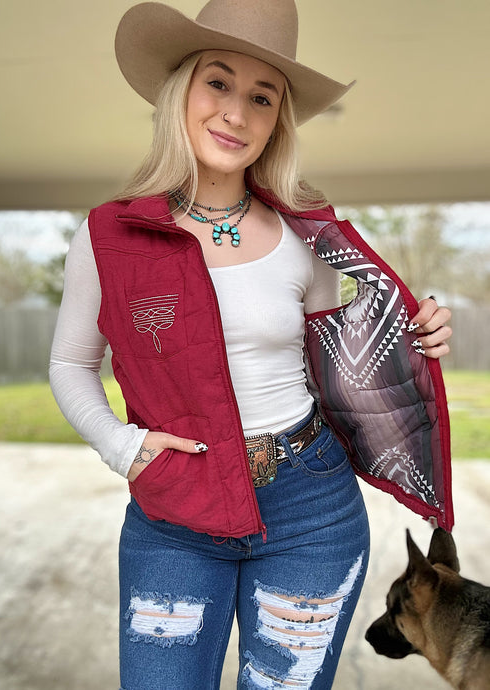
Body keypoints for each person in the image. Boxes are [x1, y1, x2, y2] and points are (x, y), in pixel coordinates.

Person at [50, 1, 453, 688]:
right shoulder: (109, 236)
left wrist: (418, 333)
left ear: (276, 121)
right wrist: (120, 445)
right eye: (218, 82)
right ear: (180, 92)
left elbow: (342, 361)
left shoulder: (306, 232)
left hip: (311, 508)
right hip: (174, 512)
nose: (236, 113)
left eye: (261, 97)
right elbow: (70, 362)